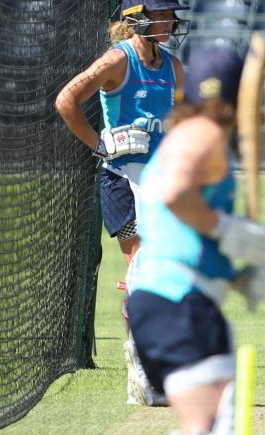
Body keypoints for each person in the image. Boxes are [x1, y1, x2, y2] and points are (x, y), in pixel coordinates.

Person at [126, 46, 265, 435]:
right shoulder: (206, 137)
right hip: (180, 301)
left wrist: (236, 275)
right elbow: (176, 197)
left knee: (199, 433)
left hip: (159, 299)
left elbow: (173, 222)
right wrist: (226, 231)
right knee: (216, 432)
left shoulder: (180, 135)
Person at [55, 0, 189, 406]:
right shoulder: (117, 60)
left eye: (171, 15)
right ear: (138, 18)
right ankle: (142, 374)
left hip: (160, 184)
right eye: (163, 14)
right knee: (143, 266)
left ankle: (155, 364)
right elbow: (66, 100)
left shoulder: (173, 67)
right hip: (121, 181)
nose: (170, 22)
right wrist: (99, 145)